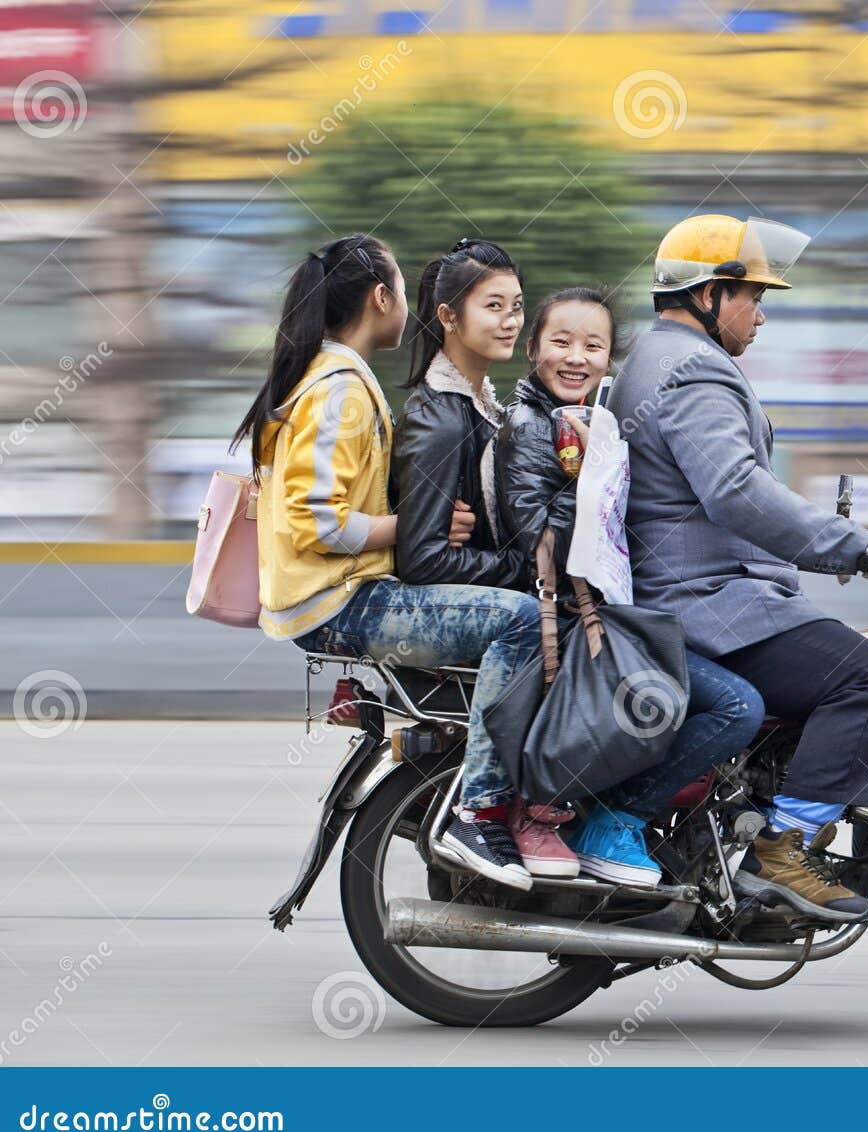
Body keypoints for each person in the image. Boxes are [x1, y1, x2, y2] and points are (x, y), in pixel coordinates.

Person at [605, 214, 868, 922]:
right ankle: (782, 850)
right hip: (706, 602)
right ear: (710, 293)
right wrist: (856, 544)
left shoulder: (662, 359)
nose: (762, 313)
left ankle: (763, 825)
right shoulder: (694, 370)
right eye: (753, 296)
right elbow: (736, 489)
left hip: (707, 594)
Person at [233, 232, 552, 893]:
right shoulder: (340, 387)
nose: (408, 303)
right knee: (523, 621)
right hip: (339, 602)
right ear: (381, 298)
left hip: (341, 589)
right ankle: (479, 808)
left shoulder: (332, 377)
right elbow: (316, 521)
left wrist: (415, 521)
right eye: (404, 289)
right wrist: (412, 526)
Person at [496, 287, 765, 886]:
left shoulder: (590, 421)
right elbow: (545, 545)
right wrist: (594, 469)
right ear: (533, 349)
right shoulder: (534, 428)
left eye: (593, 345)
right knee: (738, 706)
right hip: (573, 624)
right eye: (561, 341)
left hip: (604, 612)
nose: (577, 357)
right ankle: (616, 823)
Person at [391, 238, 580, 880]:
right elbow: (423, 561)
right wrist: (525, 573)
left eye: (517, 306)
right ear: (448, 317)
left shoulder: (481, 407)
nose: (509, 321)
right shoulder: (443, 419)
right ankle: (485, 808)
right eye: (492, 306)